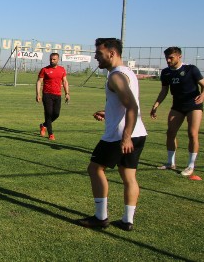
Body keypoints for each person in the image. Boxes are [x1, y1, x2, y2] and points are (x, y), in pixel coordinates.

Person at [76, 38, 147, 231]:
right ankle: (127, 221)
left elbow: (131, 106)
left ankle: (100, 218)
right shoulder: (127, 73)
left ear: (112, 53)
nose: (96, 57)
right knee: (129, 177)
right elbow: (127, 104)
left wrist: (125, 136)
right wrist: (109, 112)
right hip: (138, 132)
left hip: (120, 136)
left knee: (95, 169)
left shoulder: (115, 76)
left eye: (99, 53)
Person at [150, 47, 204, 176]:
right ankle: (170, 162)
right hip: (177, 107)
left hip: (193, 106)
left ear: (179, 56)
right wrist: (156, 105)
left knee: (192, 133)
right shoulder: (166, 72)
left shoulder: (191, 69)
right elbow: (164, 91)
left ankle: (190, 166)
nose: (168, 60)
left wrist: (202, 96)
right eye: (166, 58)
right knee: (170, 132)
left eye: (171, 58)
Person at [36, 53, 70, 141]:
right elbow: (39, 82)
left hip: (58, 95)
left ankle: (44, 125)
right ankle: (50, 134)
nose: (52, 61)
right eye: (51, 59)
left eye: (54, 59)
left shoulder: (62, 70)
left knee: (56, 114)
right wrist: (38, 94)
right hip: (47, 94)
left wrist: (67, 93)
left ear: (58, 60)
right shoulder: (44, 69)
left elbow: (65, 82)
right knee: (48, 114)